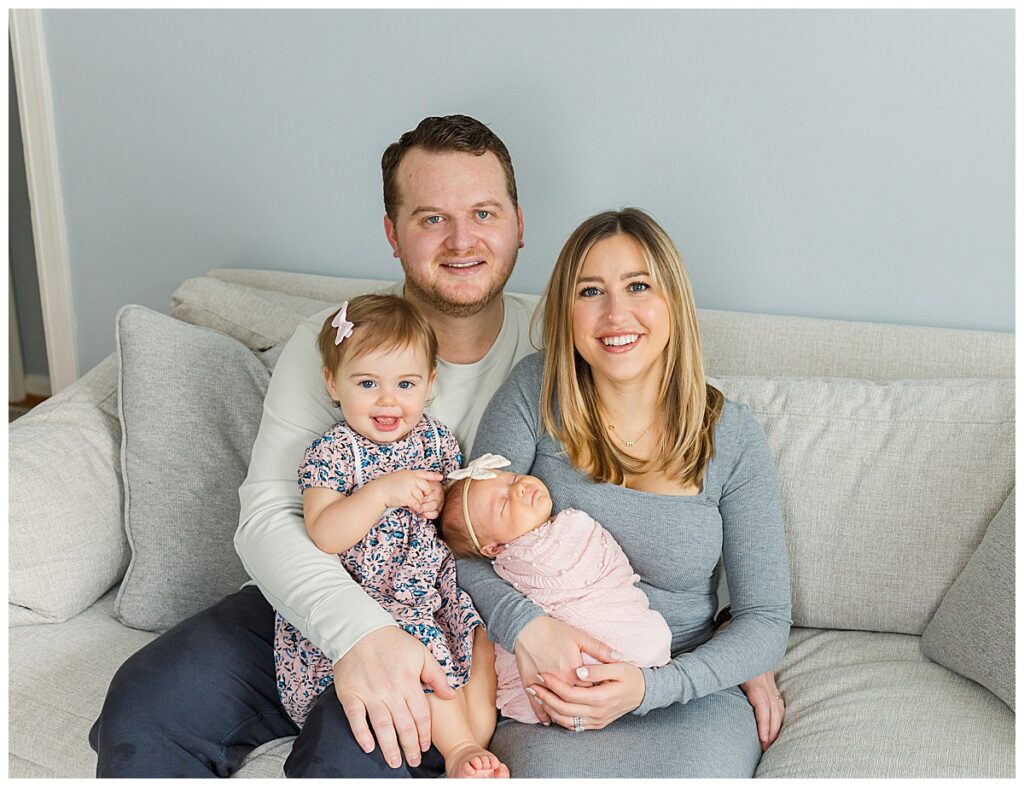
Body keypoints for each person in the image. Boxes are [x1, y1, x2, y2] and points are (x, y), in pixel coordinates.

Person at [89, 116, 783, 777]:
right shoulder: (334, 344)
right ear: (393, 234)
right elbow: (269, 517)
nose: (461, 240)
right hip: (313, 599)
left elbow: (672, 417)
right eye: (431, 218)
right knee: (146, 700)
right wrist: (361, 634)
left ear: (518, 227)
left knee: (356, 748)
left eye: (483, 213)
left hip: (445, 618)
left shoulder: (558, 348)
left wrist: (726, 637)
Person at [456, 207, 793, 777]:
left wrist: (650, 688)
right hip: (550, 694)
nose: (616, 314)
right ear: (567, 310)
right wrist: (528, 628)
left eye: (639, 285)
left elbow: (765, 618)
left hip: (683, 692)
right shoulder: (533, 392)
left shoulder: (731, 436)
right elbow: (461, 542)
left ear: (672, 303)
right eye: (591, 291)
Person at [274, 293, 508, 777]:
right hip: (375, 603)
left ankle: (478, 731)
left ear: (429, 384)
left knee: (481, 637)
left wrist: (438, 502)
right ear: (332, 384)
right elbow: (324, 533)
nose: (388, 400)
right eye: (367, 382)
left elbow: (445, 517)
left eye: (406, 383)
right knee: (419, 646)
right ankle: (460, 750)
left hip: (433, 591)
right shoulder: (332, 452)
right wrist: (381, 494)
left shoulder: (437, 440)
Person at [437, 454, 672, 725]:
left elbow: (611, 569)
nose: (519, 488)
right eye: (503, 502)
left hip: (616, 619)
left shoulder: (571, 526)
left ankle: (594, 678)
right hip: (553, 648)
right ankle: (584, 678)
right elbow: (460, 567)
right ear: (496, 549)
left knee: (650, 638)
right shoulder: (519, 560)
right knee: (648, 641)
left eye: (512, 478)